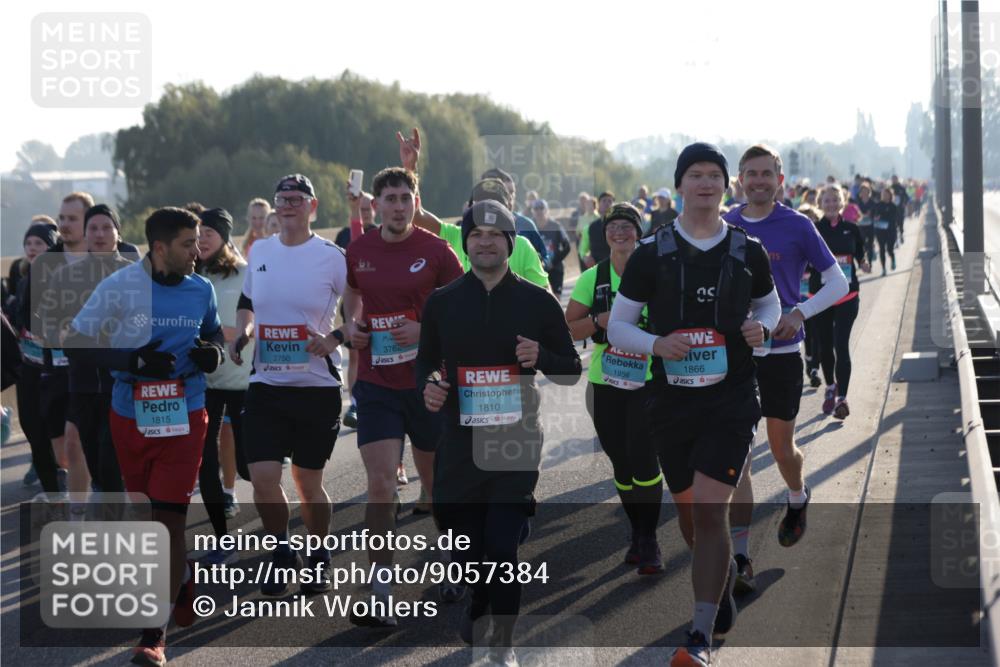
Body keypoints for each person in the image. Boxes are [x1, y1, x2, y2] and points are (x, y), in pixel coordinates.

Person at [608, 142, 781, 667]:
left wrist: (764, 329)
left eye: (714, 176)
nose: (705, 184)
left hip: (730, 399)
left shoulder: (746, 250)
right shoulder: (651, 253)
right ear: (680, 185)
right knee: (690, 516)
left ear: (724, 187)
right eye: (696, 175)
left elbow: (770, 305)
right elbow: (618, 325)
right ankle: (721, 584)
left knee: (710, 510)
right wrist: (656, 344)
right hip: (669, 401)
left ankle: (700, 635)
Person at [418, 200, 581, 664]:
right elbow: (426, 362)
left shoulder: (537, 300)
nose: (484, 242)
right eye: (476, 235)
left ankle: (503, 647)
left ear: (511, 242)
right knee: (464, 541)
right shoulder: (443, 302)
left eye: (494, 234)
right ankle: (481, 596)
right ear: (466, 242)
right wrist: (428, 386)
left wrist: (542, 357)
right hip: (459, 441)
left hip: (515, 442)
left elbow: (570, 368)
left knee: (501, 545)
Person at [65, 206, 225, 667]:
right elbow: (77, 343)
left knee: (167, 521)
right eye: (187, 245)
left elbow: (212, 334)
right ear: (159, 248)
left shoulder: (201, 289)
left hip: (186, 414)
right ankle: (180, 574)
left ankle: (153, 635)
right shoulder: (120, 286)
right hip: (129, 415)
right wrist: (131, 362)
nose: (198, 252)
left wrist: (212, 353)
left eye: (198, 243)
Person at [342, 162, 464, 624]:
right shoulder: (360, 248)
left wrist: (424, 331)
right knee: (380, 485)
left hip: (428, 382)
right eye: (388, 199)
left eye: (404, 198)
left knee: (435, 484)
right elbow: (353, 294)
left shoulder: (436, 250)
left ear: (416, 202)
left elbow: (463, 306)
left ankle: (454, 563)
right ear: (375, 206)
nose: (396, 206)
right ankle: (380, 591)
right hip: (376, 382)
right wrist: (352, 324)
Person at [723, 144, 847, 591]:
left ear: (779, 179)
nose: (758, 181)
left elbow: (839, 281)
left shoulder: (797, 225)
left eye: (765, 174)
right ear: (739, 180)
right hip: (735, 359)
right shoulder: (725, 225)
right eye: (750, 174)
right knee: (738, 460)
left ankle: (798, 494)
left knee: (781, 450)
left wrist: (799, 314)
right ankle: (739, 559)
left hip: (782, 355)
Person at [230, 174, 348, 596]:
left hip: (316, 388)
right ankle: (281, 550)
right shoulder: (260, 250)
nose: (288, 205)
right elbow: (247, 302)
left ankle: (319, 554)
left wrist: (333, 338)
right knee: (262, 476)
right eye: (282, 199)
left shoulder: (332, 256)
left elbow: (359, 310)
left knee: (307, 482)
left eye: (297, 199)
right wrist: (243, 334)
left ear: (313, 207)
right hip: (266, 383)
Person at [565, 202, 663, 574]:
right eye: (613, 227)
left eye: (627, 226)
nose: (620, 233)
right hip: (604, 381)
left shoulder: (655, 270)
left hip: (649, 379)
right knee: (620, 460)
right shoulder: (595, 277)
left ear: (638, 232)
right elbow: (569, 328)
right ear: (605, 234)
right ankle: (638, 533)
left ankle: (648, 539)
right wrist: (600, 320)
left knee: (644, 457)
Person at [36, 204, 133, 500]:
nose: (100, 234)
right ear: (85, 234)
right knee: (94, 458)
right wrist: (61, 334)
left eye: (106, 227)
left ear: (118, 233)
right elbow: (44, 327)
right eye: (93, 228)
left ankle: (116, 523)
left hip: (124, 380)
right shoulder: (65, 276)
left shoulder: (135, 275)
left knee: (113, 458)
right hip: (84, 383)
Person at [195, 208, 254, 564]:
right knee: (205, 463)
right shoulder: (190, 276)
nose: (201, 240)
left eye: (209, 234)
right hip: (204, 385)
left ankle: (280, 528)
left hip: (244, 383)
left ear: (224, 237)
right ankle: (222, 538)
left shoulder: (246, 274)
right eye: (197, 234)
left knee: (250, 466)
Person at [11, 222, 63, 494]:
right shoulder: (21, 278)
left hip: (58, 369)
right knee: (32, 429)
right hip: (28, 367)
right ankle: (52, 490)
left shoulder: (64, 276)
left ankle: (66, 478)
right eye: (29, 244)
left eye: (39, 244)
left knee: (61, 433)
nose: (32, 249)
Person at [813, 185, 870, 420]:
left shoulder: (851, 229)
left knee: (841, 344)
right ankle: (829, 387)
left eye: (835, 200)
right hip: (822, 295)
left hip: (847, 295)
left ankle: (842, 398)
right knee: (825, 346)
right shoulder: (813, 230)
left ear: (842, 202)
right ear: (820, 203)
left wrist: (864, 263)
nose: (831, 204)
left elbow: (860, 254)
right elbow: (804, 258)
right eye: (826, 200)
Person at [479, 166, 548, 263]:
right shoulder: (471, 227)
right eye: (505, 192)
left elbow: (543, 256)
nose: (510, 197)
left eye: (512, 192)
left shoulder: (526, 224)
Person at [531, 199, 571, 295]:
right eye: (536, 208)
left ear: (547, 210)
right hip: (537, 269)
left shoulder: (555, 226)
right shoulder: (530, 227)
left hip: (555, 268)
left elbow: (567, 246)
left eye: (541, 208)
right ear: (533, 211)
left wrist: (554, 262)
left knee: (556, 300)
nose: (539, 211)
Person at [580, 192, 616, 268]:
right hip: (598, 269)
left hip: (617, 268)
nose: (607, 203)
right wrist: (585, 258)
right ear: (598, 204)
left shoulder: (621, 227)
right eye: (604, 201)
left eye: (610, 201)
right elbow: (582, 249)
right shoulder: (589, 228)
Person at [873, 187, 898, 275]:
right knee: (882, 249)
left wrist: (882, 217)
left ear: (890, 195)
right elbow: (874, 215)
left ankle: (893, 258)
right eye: (883, 194)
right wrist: (876, 217)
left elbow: (894, 218)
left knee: (889, 249)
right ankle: (883, 269)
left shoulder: (893, 206)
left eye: (886, 194)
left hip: (891, 230)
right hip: (880, 230)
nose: (884, 196)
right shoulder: (878, 205)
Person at [855, 182, 877, 264]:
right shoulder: (858, 202)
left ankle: (870, 262)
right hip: (860, 225)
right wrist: (860, 215)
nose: (864, 192)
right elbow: (855, 213)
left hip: (870, 225)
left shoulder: (873, 202)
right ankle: (864, 257)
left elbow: (876, 214)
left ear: (869, 192)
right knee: (863, 244)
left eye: (866, 191)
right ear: (860, 192)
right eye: (862, 191)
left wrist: (871, 215)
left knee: (870, 244)